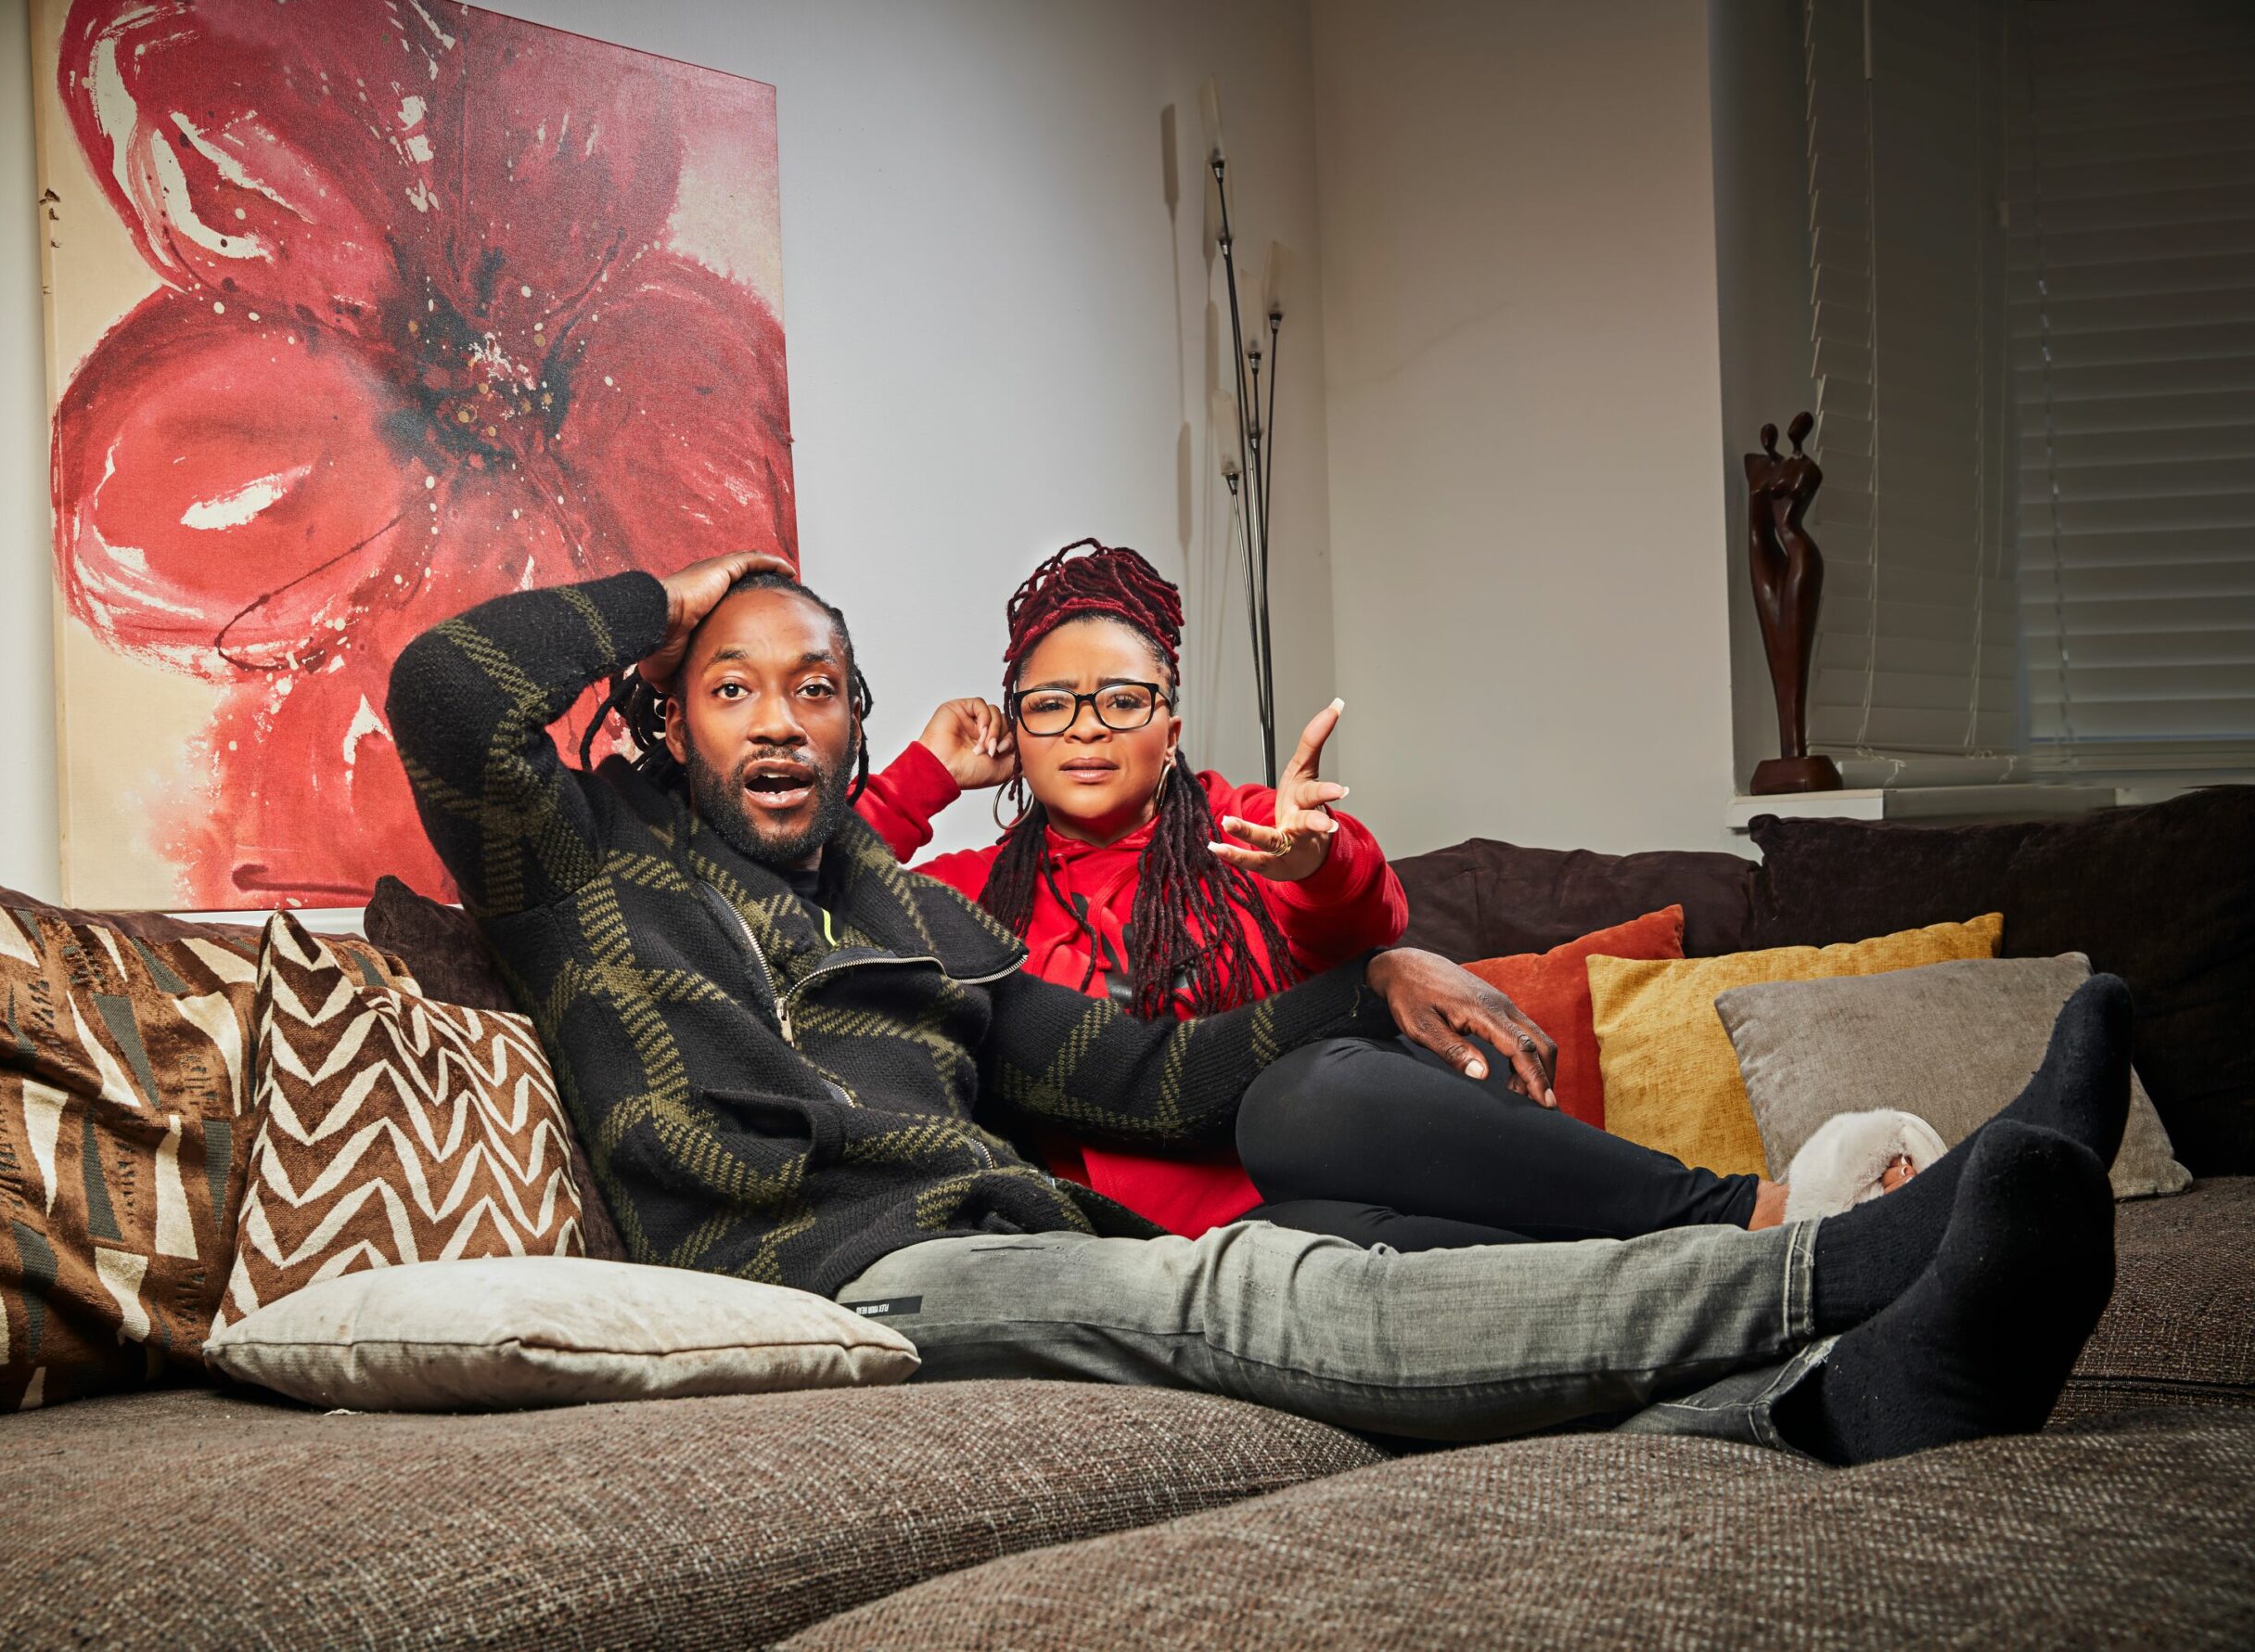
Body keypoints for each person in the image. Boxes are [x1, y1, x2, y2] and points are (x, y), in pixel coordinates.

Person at [386, 549, 2125, 1466]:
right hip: (815, 1278)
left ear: (856, 722)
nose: (777, 719)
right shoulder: (583, 859)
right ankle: (1847, 1259)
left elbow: (1154, 1076)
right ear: (668, 713)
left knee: (1315, 1361)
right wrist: (687, 591)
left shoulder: (918, 918)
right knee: (1253, 1287)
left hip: (991, 1248)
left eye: (815, 687)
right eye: (731, 687)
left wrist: (1364, 975)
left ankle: (1845, 1394)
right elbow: (448, 690)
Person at [850, 541, 1815, 1250]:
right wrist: (919, 776)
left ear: (1170, 727)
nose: (1086, 728)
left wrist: (1313, 862)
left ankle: (1745, 1214)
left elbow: (1368, 921)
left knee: (1296, 1098)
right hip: (1195, 1246)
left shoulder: (1241, 826)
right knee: (1311, 1254)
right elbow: (809, 904)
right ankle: (1707, 1258)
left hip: (1326, 1150)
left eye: (1123, 699)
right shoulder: (965, 898)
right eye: (1051, 704)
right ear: (1015, 731)